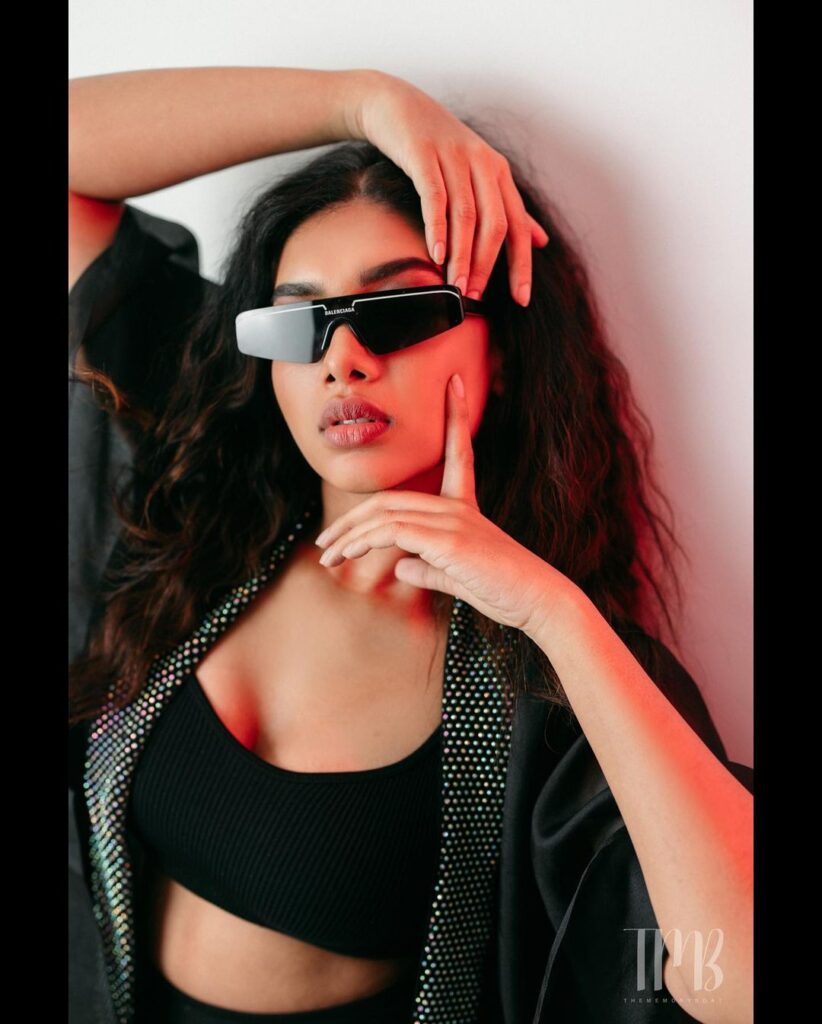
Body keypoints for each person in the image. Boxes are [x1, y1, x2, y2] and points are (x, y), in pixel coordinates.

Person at [68, 67, 753, 1024]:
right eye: (298, 321)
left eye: (396, 312)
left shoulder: (551, 685)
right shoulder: (195, 505)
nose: (342, 358)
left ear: (500, 355)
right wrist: (363, 101)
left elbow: (736, 984)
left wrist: (553, 613)